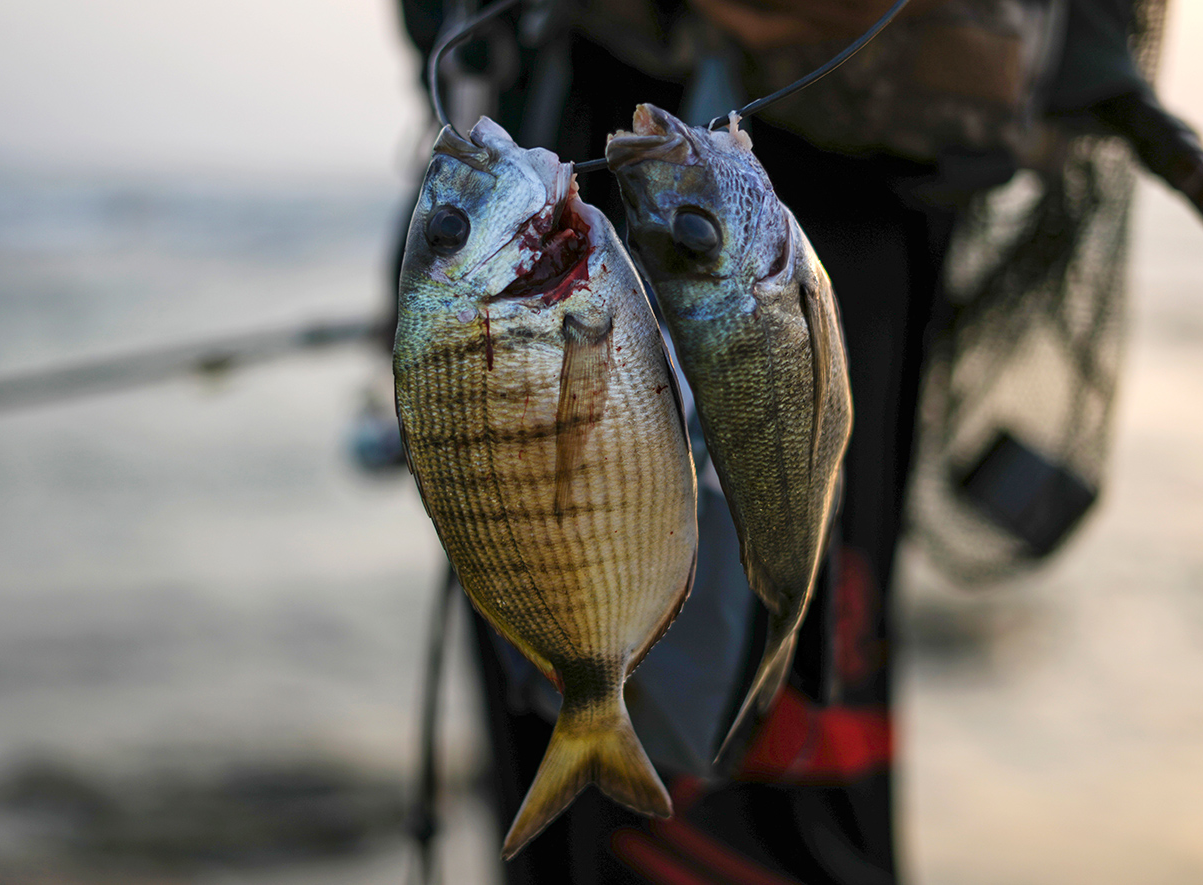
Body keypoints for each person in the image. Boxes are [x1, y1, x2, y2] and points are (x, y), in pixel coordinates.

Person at [385, 1, 1159, 881]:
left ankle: (722, 685)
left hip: (828, 159)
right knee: (590, 770)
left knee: (778, 770)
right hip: (600, 114)